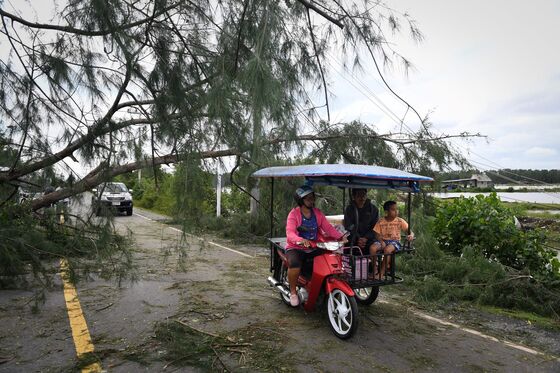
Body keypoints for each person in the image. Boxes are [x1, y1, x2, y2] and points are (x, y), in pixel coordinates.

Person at [285, 185, 346, 306]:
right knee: (295, 264)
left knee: (328, 258)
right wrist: (300, 240)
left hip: (313, 246)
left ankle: (319, 286)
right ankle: (293, 292)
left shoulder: (317, 213)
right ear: (301, 200)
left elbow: (328, 228)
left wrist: (340, 236)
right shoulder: (294, 214)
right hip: (296, 247)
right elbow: (290, 233)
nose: (312, 200)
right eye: (308, 198)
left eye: (312, 198)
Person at [370, 200, 414, 278]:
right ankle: (374, 270)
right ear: (386, 211)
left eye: (397, 209)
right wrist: (381, 241)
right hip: (382, 240)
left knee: (387, 250)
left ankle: (382, 273)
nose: (396, 211)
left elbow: (410, 231)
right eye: (393, 210)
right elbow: (376, 234)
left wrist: (411, 235)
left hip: (394, 242)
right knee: (372, 248)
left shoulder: (400, 221)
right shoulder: (381, 221)